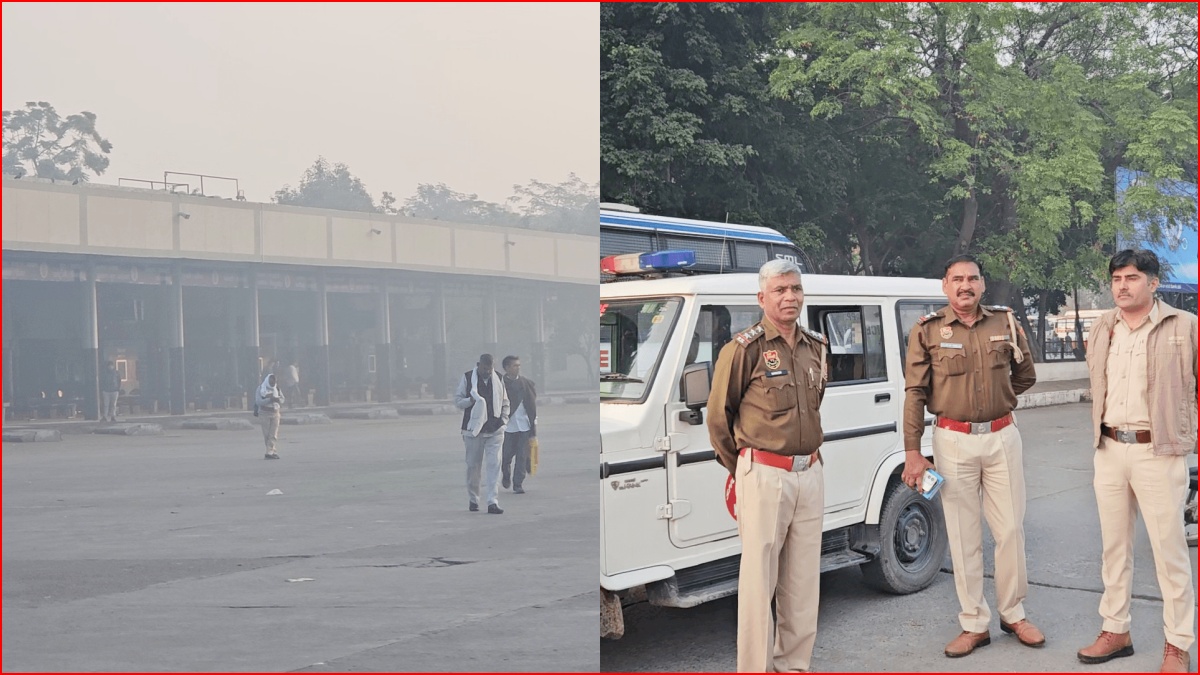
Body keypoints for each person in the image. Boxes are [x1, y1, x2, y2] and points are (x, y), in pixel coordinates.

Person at [902, 254, 1041, 658]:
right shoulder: (927, 331)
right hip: (953, 440)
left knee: (1011, 529)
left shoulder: (1005, 323)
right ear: (945, 286)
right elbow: (914, 394)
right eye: (957, 279)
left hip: (1002, 436)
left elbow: (1026, 374)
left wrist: (1002, 399)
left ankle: (1013, 613)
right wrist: (913, 452)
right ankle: (974, 622)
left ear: (983, 285)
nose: (966, 285)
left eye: (973, 278)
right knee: (963, 536)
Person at [706, 258, 828, 673]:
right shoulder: (744, 349)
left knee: (803, 581)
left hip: (809, 473)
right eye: (779, 290)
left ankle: (793, 666)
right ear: (762, 298)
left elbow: (814, 407)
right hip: (764, 474)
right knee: (759, 583)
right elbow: (719, 418)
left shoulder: (816, 347)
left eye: (795, 289)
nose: (789, 296)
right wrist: (742, 467)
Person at [1077, 249, 1196, 673]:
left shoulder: (1185, 326)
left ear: (1153, 282)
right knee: (1114, 548)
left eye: (1131, 278)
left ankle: (1178, 643)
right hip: (1109, 449)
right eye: (1116, 279)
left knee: (1169, 551)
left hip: (1158, 451)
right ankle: (1116, 629)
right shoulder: (1103, 327)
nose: (1122, 286)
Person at [454, 353, 509, 514]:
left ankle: (492, 501)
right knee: (473, 466)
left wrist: (504, 421)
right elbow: (458, 401)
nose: (487, 371)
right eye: (485, 368)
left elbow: (506, 402)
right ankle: (473, 499)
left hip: (495, 429)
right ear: (479, 365)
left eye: (490, 368)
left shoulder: (498, 379)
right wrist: (470, 400)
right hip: (473, 430)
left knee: (494, 465)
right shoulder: (468, 378)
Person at [500, 355, 537, 494]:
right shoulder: (500, 384)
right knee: (506, 456)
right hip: (507, 427)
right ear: (507, 368)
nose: (518, 368)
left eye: (519, 365)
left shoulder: (526, 383)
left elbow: (532, 406)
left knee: (522, 456)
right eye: (515, 366)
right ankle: (506, 474)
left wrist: (533, 426)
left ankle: (518, 484)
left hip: (524, 426)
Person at [255, 373, 284, 459]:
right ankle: (271, 451)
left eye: (274, 383)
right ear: (267, 381)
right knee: (267, 434)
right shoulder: (261, 389)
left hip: (275, 413)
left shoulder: (277, 388)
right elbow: (258, 401)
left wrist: (277, 399)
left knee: (273, 434)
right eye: (271, 383)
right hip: (264, 413)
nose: (272, 384)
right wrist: (269, 399)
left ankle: (270, 452)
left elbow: (282, 399)